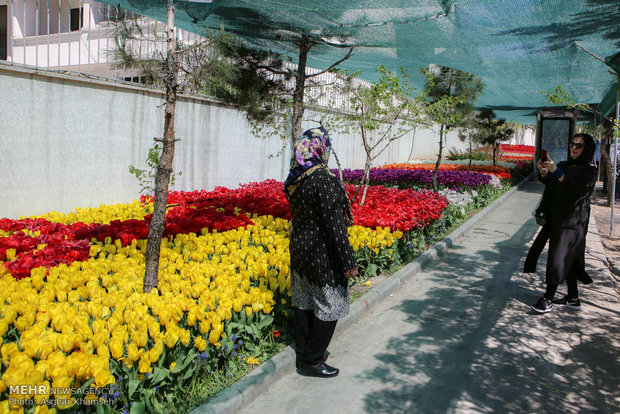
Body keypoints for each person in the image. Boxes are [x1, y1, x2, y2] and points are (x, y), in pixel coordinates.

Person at [283, 126, 358, 377]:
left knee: (305, 301)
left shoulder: (295, 178)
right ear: (321, 148)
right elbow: (335, 226)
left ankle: (303, 353)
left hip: (300, 247)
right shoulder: (323, 179)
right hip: (321, 252)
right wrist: (348, 261)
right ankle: (313, 361)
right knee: (331, 304)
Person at [531, 133, 598, 313]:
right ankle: (573, 298)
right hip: (558, 217)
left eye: (579, 145)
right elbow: (552, 183)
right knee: (571, 258)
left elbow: (575, 188)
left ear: (588, 149)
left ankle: (548, 298)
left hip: (574, 220)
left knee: (558, 256)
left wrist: (556, 172)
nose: (574, 148)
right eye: (572, 144)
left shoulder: (590, 170)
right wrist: (545, 172)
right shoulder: (564, 165)